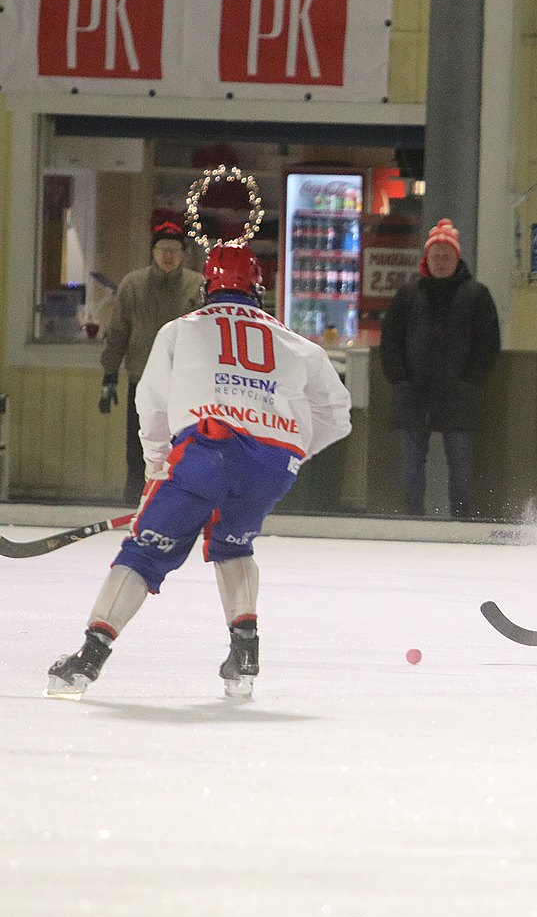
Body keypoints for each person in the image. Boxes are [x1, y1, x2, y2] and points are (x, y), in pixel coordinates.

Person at [46, 244, 353, 700]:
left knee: (143, 553)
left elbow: (150, 404)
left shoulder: (180, 330)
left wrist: (156, 467)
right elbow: (337, 416)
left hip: (205, 452)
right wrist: (288, 454)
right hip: (271, 462)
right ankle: (244, 652)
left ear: (207, 286)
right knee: (233, 543)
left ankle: (87, 660)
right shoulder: (296, 342)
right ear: (259, 289)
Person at [378, 219, 501, 518]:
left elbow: (488, 344)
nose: (441, 262)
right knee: (410, 468)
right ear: (426, 259)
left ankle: (461, 522)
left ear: (457, 258)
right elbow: (390, 340)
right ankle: (412, 520)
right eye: (436, 256)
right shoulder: (407, 296)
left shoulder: (477, 296)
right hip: (413, 397)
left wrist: (469, 383)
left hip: (459, 398)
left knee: (461, 469)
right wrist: (400, 381)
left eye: (446, 256)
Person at [98, 218, 205, 501]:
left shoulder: (198, 287)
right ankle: (135, 498)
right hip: (142, 376)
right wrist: (109, 374)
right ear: (153, 253)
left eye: (174, 250)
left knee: (184, 444)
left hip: (186, 382)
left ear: (184, 254)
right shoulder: (133, 284)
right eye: (162, 249)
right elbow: (119, 332)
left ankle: (179, 500)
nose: (168, 255)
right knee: (138, 443)